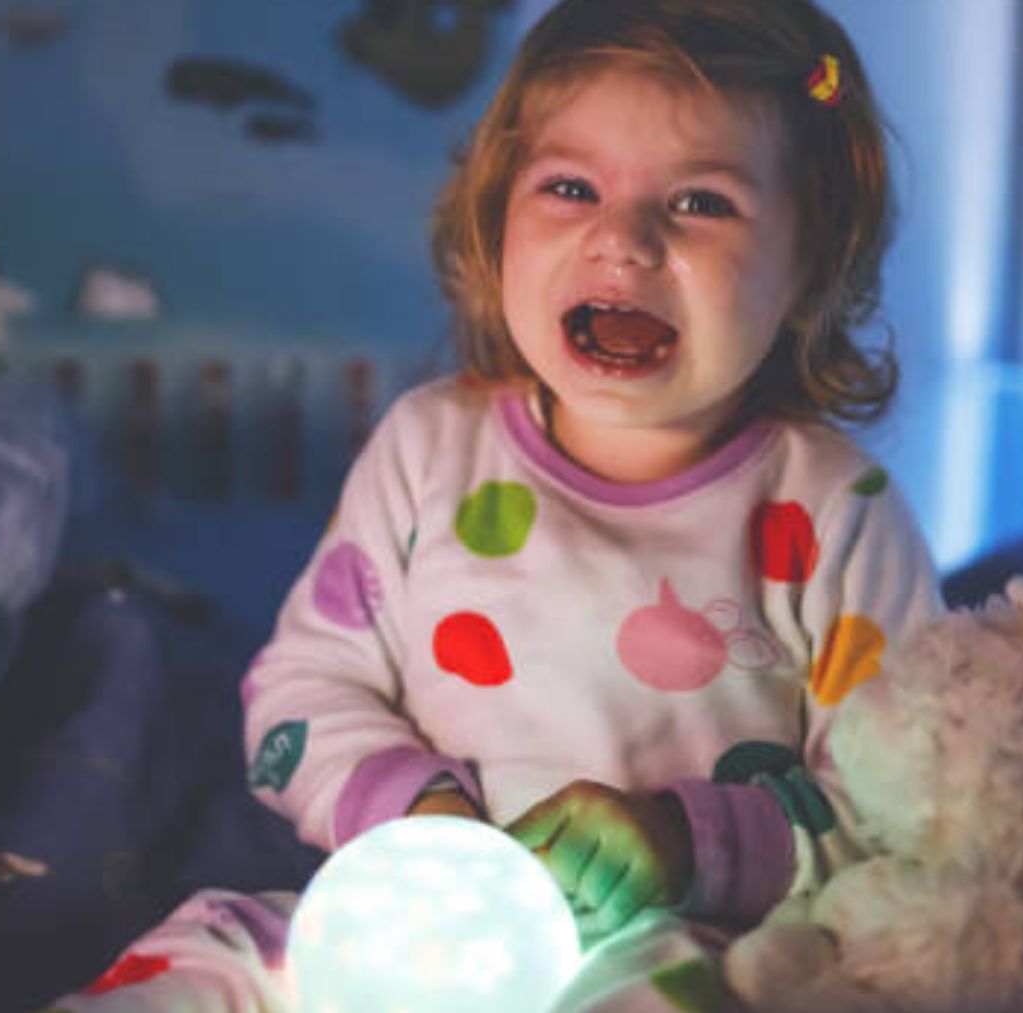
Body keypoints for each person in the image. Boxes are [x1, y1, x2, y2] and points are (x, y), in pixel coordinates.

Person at [50, 0, 944, 1008]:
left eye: (700, 202)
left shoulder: (835, 507)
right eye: (571, 187)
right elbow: (300, 694)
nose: (624, 239)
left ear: (810, 266)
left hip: (651, 939)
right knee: (205, 951)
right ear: (495, 220)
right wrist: (411, 808)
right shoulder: (430, 449)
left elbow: (909, 812)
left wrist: (685, 838)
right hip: (398, 911)